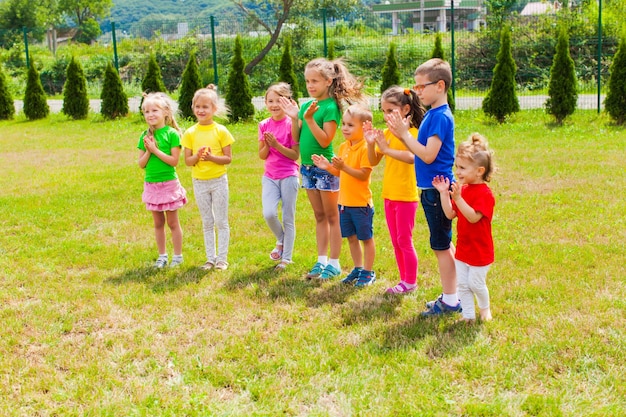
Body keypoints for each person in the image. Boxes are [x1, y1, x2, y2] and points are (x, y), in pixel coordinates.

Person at [386, 58, 460, 315]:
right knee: (445, 245)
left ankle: (451, 301)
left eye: (421, 87)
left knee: (441, 247)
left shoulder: (440, 117)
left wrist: (405, 136)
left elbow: (428, 155)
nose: (417, 92)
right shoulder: (433, 114)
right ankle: (453, 294)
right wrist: (403, 135)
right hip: (433, 190)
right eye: (415, 87)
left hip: (437, 191)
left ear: (440, 85)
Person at [280, 58, 364, 280]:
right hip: (307, 168)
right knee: (319, 216)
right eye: (307, 81)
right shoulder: (307, 106)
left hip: (325, 169)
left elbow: (326, 140)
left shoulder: (330, 108)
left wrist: (307, 120)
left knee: (332, 216)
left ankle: (334, 263)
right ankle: (321, 260)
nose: (310, 85)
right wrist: (294, 117)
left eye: (315, 81)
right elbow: (296, 139)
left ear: (328, 81)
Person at [363, 86, 425, 294]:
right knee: (395, 240)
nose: (386, 115)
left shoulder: (413, 134)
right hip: (389, 194)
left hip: (406, 195)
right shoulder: (387, 134)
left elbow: (413, 158)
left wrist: (388, 149)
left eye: (391, 110)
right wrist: (371, 144)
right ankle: (404, 280)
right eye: (383, 111)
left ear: (406, 109)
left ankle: (410, 281)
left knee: (404, 240)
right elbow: (373, 161)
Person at [433, 133, 495, 322]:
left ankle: (484, 309)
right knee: (462, 285)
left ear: (479, 171)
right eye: (456, 167)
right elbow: (451, 214)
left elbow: (473, 217)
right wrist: (445, 195)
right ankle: (468, 315)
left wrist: (458, 198)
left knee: (475, 283)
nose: (457, 172)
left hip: (480, 251)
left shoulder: (485, 194)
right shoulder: (463, 190)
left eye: (462, 168)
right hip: (463, 249)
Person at [312, 105, 376, 287]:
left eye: (350, 125)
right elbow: (341, 173)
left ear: (364, 127)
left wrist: (343, 167)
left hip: (361, 204)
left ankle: (368, 272)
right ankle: (358, 268)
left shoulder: (365, 148)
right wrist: (328, 167)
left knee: (366, 239)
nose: (344, 128)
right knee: (351, 238)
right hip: (344, 203)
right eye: (344, 124)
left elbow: (363, 174)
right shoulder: (343, 147)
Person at [182, 85, 234, 271]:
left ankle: (222, 259)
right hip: (199, 183)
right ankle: (210, 258)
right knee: (207, 222)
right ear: (193, 107)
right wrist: (198, 156)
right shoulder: (190, 133)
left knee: (221, 220)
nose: (201, 110)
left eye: (205, 107)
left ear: (214, 109)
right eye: (198, 106)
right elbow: (188, 161)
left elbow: (228, 158)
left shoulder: (221, 131)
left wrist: (211, 158)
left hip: (219, 181)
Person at [137, 92, 187, 268]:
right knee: (158, 223)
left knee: (173, 223)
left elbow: (174, 161)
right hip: (152, 185)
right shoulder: (144, 135)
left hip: (168, 184)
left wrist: (155, 150)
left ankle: (178, 256)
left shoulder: (172, 134)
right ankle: (162, 256)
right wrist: (149, 150)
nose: (150, 114)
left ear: (165, 112)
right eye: (146, 111)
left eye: (154, 110)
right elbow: (141, 164)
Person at [258, 82, 300, 271]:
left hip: (289, 175)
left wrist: (276, 145)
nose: (274, 105)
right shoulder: (264, 125)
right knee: (269, 213)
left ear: (287, 102)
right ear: (265, 103)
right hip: (270, 176)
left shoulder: (292, 124)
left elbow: (294, 155)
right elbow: (262, 155)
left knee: (288, 217)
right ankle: (281, 240)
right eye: (270, 101)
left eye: (278, 101)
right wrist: (268, 145)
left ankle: (286, 259)